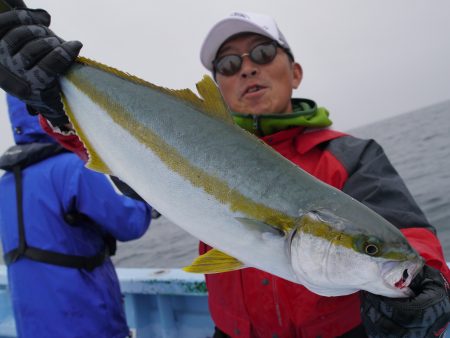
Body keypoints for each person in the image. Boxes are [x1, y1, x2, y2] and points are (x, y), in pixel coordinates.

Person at [0, 3, 449, 337]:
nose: (247, 69)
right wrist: (56, 108)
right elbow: (134, 174)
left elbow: (412, 240)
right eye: (229, 65)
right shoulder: (185, 146)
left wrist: (426, 283)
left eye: (262, 53)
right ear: (218, 87)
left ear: (294, 71)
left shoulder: (352, 156)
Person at [0, 94, 152, 338]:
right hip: (87, 324)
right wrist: (147, 201)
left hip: (32, 329)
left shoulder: (5, 184)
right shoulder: (73, 168)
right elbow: (130, 224)